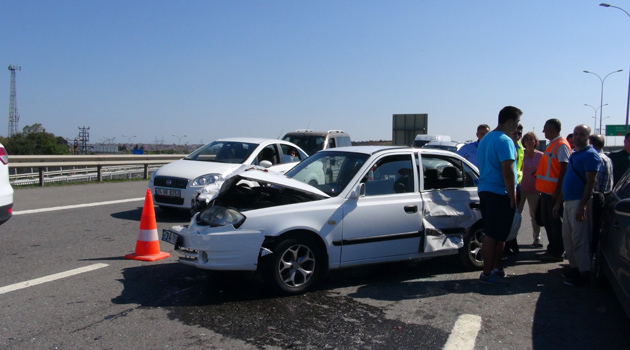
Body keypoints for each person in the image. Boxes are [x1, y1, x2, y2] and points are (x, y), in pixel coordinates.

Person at [477, 106, 521, 286]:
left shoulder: (486, 138)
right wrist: (512, 196)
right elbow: (508, 171)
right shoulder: (505, 140)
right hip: (499, 192)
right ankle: (487, 273)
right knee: (493, 234)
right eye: (517, 123)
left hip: (486, 190)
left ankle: (496, 268)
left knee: (499, 234)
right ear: (510, 121)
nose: (517, 127)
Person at [554, 124, 600, 286]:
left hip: (579, 202)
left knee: (580, 238)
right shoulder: (574, 154)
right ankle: (574, 267)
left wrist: (583, 205)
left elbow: (590, 182)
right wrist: (559, 201)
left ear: (588, 137)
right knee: (569, 238)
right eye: (576, 134)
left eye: (582, 134)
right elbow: (567, 179)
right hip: (568, 201)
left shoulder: (591, 155)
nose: (578, 137)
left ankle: (584, 272)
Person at [535, 119, 571, 262]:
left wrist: (558, 191)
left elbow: (564, 169)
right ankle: (552, 249)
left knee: (555, 224)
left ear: (552, 129)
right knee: (548, 222)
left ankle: (557, 252)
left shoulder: (561, 145)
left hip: (554, 193)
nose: (543, 131)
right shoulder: (553, 145)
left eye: (545, 128)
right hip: (546, 192)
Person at [589, 134, 613, 254]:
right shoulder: (607, 158)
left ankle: (588, 259)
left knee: (591, 229)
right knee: (598, 228)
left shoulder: (596, 158)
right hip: (606, 196)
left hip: (596, 197)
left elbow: (594, 183)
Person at [519, 131, 544, 247]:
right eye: (527, 139)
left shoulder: (541, 156)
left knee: (534, 215)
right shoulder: (520, 154)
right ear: (523, 142)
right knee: (516, 214)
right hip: (521, 188)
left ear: (535, 142)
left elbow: (544, 171)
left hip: (535, 190)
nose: (529, 141)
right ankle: (512, 239)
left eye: (531, 139)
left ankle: (537, 238)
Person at [504, 124, 524, 255]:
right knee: (508, 216)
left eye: (520, 133)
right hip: (507, 185)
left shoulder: (520, 147)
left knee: (515, 216)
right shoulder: (506, 145)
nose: (517, 135)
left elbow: (519, 167)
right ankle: (507, 245)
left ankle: (513, 242)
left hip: (517, 184)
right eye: (515, 133)